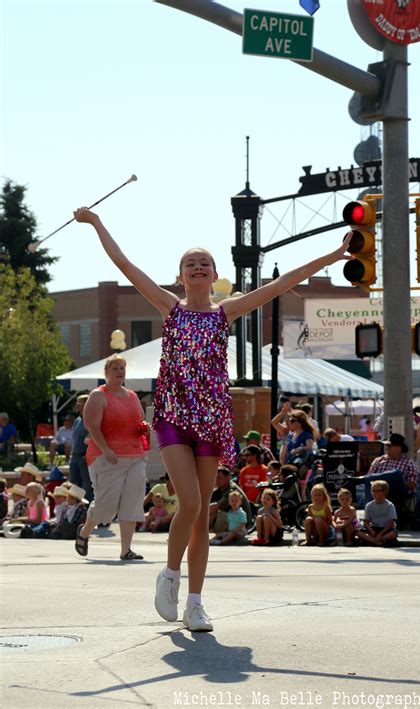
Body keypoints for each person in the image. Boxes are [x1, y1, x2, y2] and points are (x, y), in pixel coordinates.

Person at [74, 205, 352, 632]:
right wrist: (96, 223)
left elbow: (281, 283)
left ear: (215, 273)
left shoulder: (226, 312)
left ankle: (196, 603)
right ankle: (169, 575)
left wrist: (332, 257)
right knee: (190, 502)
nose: (198, 267)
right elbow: (125, 263)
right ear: (181, 276)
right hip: (172, 417)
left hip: (211, 419)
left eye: (204, 262)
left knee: (201, 514)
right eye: (190, 263)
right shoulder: (170, 308)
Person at [74, 354, 147, 561]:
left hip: (135, 456)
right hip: (107, 458)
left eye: (122, 368)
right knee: (106, 506)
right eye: (115, 369)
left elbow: (139, 422)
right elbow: (92, 427)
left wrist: (144, 429)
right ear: (106, 373)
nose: (119, 372)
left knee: (132, 502)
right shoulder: (98, 396)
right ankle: (85, 531)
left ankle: (126, 550)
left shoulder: (132, 396)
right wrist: (106, 449)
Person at [209, 466, 251, 534]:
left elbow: (216, 506)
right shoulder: (219, 489)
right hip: (232, 518)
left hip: (241, 522)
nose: (216, 480)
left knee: (213, 512)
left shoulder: (232, 489)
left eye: (219, 477)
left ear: (228, 478)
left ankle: (200, 533)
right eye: (215, 477)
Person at [356, 480, 398, 547]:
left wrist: (381, 534)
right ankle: (377, 542)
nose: (374, 493)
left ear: (384, 491)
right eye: (373, 491)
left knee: (393, 533)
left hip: (386, 529)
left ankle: (377, 540)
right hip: (374, 528)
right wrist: (371, 531)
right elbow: (366, 522)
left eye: (377, 491)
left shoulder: (390, 505)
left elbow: (391, 524)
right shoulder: (369, 505)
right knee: (359, 532)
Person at [70, 394, 93, 502]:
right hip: (75, 456)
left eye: (80, 403)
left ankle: (86, 508)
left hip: (85, 456)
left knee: (86, 484)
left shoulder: (91, 420)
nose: (77, 405)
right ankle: (74, 507)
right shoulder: (77, 420)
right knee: (74, 483)